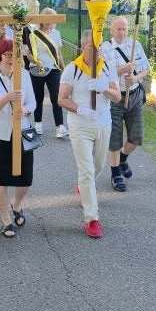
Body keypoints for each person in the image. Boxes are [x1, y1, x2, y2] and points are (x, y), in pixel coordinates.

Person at [58, 30, 120, 239]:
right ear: (83, 46)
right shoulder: (72, 69)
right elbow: (62, 99)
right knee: (86, 171)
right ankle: (92, 218)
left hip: (103, 123)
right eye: (92, 46)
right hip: (80, 125)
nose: (96, 51)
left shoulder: (107, 67)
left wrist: (104, 89)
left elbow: (117, 97)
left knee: (99, 165)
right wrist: (81, 110)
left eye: (99, 47)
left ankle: (84, 187)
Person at [0, 38, 36, 238]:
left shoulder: (25, 75)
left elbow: (33, 103)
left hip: (22, 130)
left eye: (15, 55)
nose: (11, 58)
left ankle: (17, 205)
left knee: (26, 179)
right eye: (7, 54)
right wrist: (6, 99)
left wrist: (25, 110)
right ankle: (6, 220)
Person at [102, 16, 150, 192]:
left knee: (136, 137)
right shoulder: (105, 48)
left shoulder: (135, 45)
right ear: (111, 30)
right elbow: (101, 73)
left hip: (134, 96)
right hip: (114, 98)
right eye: (118, 29)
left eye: (124, 29)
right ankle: (115, 174)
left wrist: (136, 78)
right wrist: (121, 70)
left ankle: (122, 159)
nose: (122, 32)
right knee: (115, 138)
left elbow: (146, 68)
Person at [23, 8, 68, 138]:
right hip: (37, 70)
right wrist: (36, 62)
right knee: (38, 97)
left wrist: (63, 68)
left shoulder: (57, 33)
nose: (49, 22)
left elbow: (58, 53)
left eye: (51, 19)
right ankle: (38, 123)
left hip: (54, 70)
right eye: (46, 19)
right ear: (41, 19)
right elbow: (28, 54)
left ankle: (60, 126)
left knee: (56, 98)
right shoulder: (33, 34)